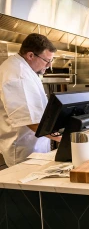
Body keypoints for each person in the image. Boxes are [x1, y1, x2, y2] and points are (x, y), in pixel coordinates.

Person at [0, 33, 61, 167]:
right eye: (47, 60)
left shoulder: (26, 69)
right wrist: (62, 137)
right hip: (23, 149)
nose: (49, 65)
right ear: (31, 55)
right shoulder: (18, 75)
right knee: (25, 187)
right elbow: (30, 120)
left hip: (35, 145)